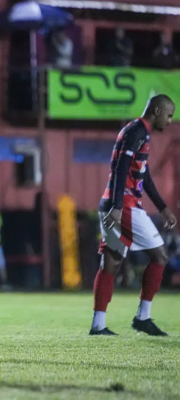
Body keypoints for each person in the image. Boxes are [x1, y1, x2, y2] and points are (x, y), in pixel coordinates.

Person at [90, 94, 176, 336]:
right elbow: (121, 169)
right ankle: (143, 317)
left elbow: (143, 175)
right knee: (160, 256)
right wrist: (118, 205)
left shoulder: (136, 131)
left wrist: (161, 206)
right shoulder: (138, 131)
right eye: (169, 115)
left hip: (110, 204)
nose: (169, 121)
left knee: (112, 263)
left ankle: (98, 325)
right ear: (157, 111)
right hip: (124, 206)